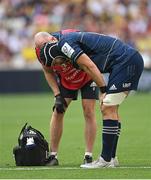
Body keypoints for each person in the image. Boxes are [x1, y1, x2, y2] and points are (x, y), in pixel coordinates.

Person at [37, 31, 144, 168]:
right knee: (111, 108)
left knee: (107, 106)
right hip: (125, 61)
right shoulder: (63, 45)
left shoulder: (65, 44)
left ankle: (104, 160)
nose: (61, 64)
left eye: (59, 61)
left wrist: (103, 90)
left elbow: (89, 66)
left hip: (125, 61)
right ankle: (111, 158)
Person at [34, 30, 99, 167]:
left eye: (44, 46)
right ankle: (53, 156)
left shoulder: (69, 36)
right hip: (66, 80)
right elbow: (48, 71)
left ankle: (88, 155)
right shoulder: (40, 52)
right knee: (58, 111)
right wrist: (57, 95)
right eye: (40, 49)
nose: (42, 50)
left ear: (52, 39)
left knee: (89, 111)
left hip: (87, 75)